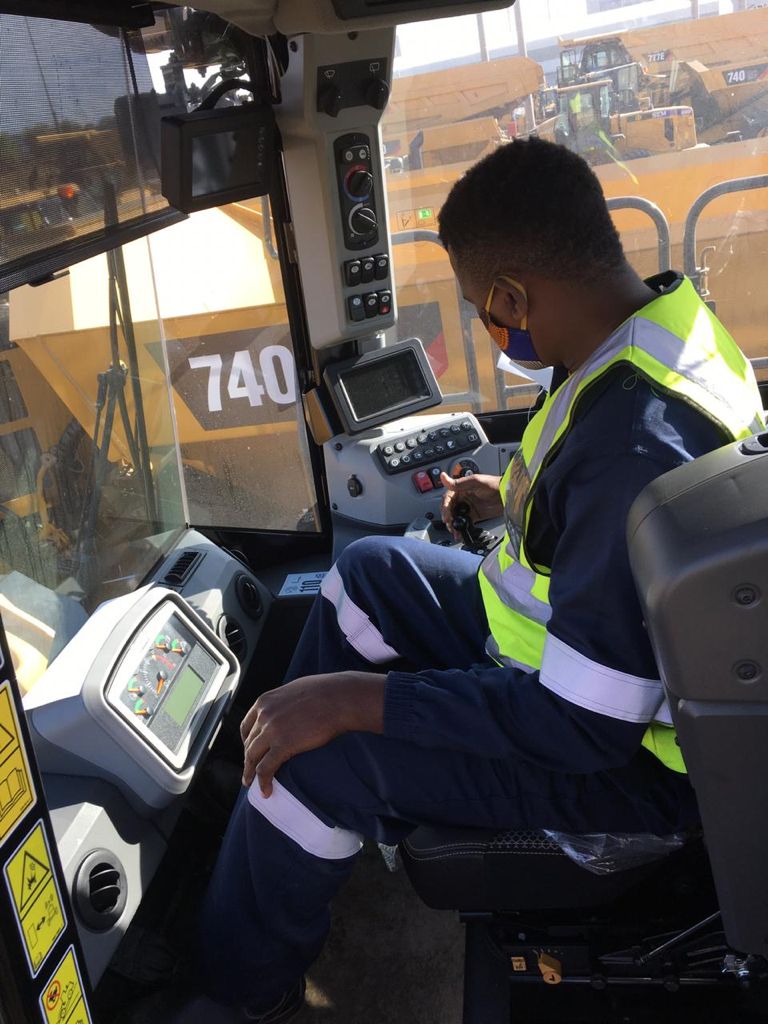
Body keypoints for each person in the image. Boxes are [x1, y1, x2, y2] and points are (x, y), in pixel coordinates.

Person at [183, 138, 764, 1023]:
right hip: (571, 653)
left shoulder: (630, 442)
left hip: (632, 763)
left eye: (481, 310)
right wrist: (517, 497)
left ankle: (240, 993)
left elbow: (582, 726)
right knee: (370, 571)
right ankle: (275, 790)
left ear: (512, 298)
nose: (492, 328)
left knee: (321, 759)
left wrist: (359, 704)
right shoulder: (657, 331)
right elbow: (602, 519)